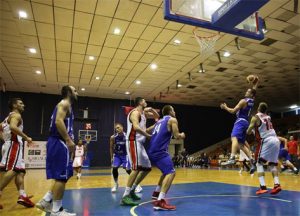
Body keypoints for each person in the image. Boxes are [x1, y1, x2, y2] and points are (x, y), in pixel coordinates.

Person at [36, 86, 78, 215]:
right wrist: (68, 140)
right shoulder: (64, 103)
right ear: (69, 92)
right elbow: (58, 121)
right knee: (61, 177)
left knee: (61, 175)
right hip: (59, 142)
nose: (77, 92)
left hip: (57, 142)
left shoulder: (67, 106)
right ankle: (56, 210)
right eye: (75, 90)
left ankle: (46, 200)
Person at [121, 97, 159, 206]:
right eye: (144, 100)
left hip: (140, 143)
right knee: (136, 168)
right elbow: (137, 128)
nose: (145, 101)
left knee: (147, 168)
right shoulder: (135, 113)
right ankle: (125, 196)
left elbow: (156, 117)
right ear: (140, 102)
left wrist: (151, 109)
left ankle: (132, 190)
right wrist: (148, 136)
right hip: (133, 142)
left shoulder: (143, 114)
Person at [148, 105, 185, 210]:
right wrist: (182, 135)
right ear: (170, 111)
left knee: (165, 172)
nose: (175, 112)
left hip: (151, 151)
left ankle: (156, 193)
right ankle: (160, 201)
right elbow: (177, 136)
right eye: (173, 110)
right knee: (171, 173)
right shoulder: (172, 120)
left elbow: (147, 130)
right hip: (160, 152)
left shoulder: (158, 122)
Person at [0, 98, 34, 209]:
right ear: (14, 105)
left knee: (21, 171)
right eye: (20, 103)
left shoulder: (6, 118)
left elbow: (1, 128)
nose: (23, 105)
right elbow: (13, 127)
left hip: (9, 144)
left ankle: (22, 195)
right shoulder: (16, 115)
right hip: (14, 144)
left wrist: (5, 140)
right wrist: (26, 137)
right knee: (14, 170)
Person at [220, 76, 259, 174]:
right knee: (241, 144)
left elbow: (233, 111)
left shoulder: (243, 101)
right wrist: (255, 82)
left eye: (247, 91)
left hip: (240, 121)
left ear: (250, 94)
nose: (246, 92)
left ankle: (232, 157)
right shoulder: (252, 101)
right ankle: (252, 161)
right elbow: (254, 91)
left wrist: (225, 107)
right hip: (246, 122)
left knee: (234, 137)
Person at [246, 102, 281, 195]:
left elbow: (248, 132)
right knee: (272, 164)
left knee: (259, 163)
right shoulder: (268, 117)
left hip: (266, 141)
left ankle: (263, 186)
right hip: (276, 139)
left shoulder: (255, 117)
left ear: (258, 108)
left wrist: (251, 128)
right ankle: (277, 184)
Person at [110, 123, 132, 192]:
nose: (117, 129)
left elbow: (131, 147)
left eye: (118, 127)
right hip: (117, 156)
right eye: (116, 128)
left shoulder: (127, 136)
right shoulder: (113, 137)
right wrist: (111, 157)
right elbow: (111, 148)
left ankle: (136, 185)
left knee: (127, 169)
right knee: (114, 168)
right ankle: (116, 184)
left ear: (122, 127)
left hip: (126, 155)